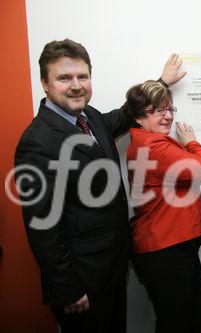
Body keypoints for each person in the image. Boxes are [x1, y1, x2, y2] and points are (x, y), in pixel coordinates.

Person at [14, 39, 183, 332]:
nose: (76, 85)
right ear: (45, 83)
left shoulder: (89, 117)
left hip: (112, 269)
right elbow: (42, 226)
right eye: (64, 78)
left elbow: (124, 115)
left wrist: (160, 83)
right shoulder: (37, 142)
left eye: (82, 76)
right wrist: (67, 288)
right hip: (82, 283)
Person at [124, 80, 201, 332]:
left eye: (169, 109)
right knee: (178, 321)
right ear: (138, 117)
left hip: (168, 244)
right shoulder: (152, 146)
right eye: (157, 111)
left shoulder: (145, 142)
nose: (166, 117)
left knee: (188, 317)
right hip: (165, 249)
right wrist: (192, 143)